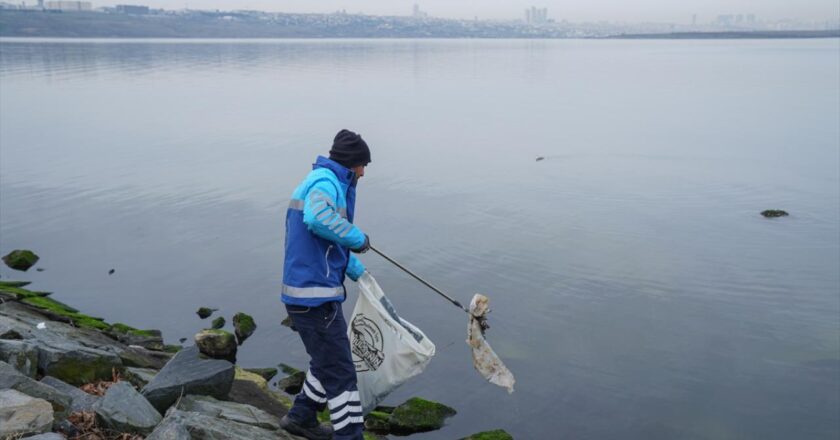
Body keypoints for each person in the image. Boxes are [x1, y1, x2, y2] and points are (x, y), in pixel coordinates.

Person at [279, 129, 371, 440]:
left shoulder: (321, 180)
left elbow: (321, 242)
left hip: (309, 293)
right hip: (314, 297)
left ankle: (301, 418)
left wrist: (355, 269)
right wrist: (357, 239)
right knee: (342, 371)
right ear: (351, 163)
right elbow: (317, 219)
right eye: (362, 165)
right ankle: (350, 436)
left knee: (326, 359)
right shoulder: (326, 183)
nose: (364, 172)